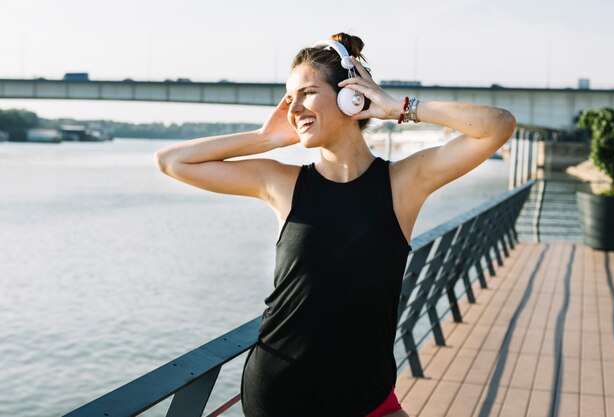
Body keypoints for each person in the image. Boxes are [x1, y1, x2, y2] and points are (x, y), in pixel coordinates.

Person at [154, 32, 516, 417]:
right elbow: (171, 161)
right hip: (280, 397)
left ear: (352, 96)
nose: (294, 108)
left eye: (307, 92)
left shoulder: (403, 183)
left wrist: (398, 107)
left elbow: (497, 126)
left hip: (367, 398)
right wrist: (265, 138)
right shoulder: (283, 183)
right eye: (289, 98)